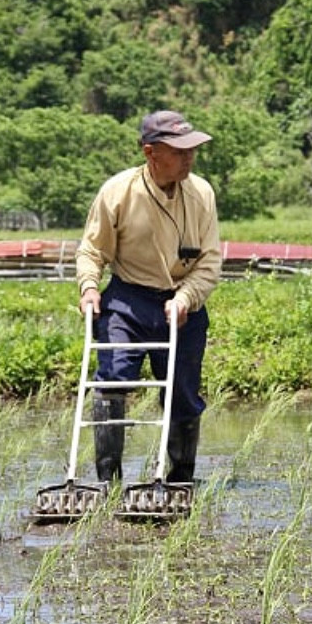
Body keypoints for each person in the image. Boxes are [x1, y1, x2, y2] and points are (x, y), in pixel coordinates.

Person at [76, 108, 222, 485]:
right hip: (128, 299)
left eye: (192, 150)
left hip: (182, 301)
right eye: (179, 150)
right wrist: (89, 287)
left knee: (183, 392)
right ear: (150, 152)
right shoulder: (118, 192)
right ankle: (108, 481)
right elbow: (92, 251)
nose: (188, 157)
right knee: (112, 380)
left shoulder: (201, 193)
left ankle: (180, 479)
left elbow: (209, 261)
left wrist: (186, 297)